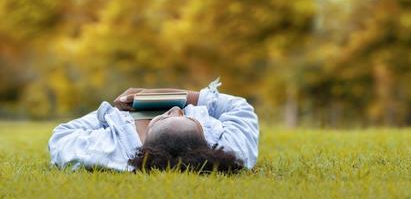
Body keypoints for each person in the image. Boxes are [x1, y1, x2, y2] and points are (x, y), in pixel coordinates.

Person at [48, 79, 259, 173]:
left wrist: (114, 113)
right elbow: (240, 107)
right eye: (188, 118)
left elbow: (61, 138)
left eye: (164, 117)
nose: (176, 108)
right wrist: (182, 97)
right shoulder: (231, 151)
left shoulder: (110, 150)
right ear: (204, 138)